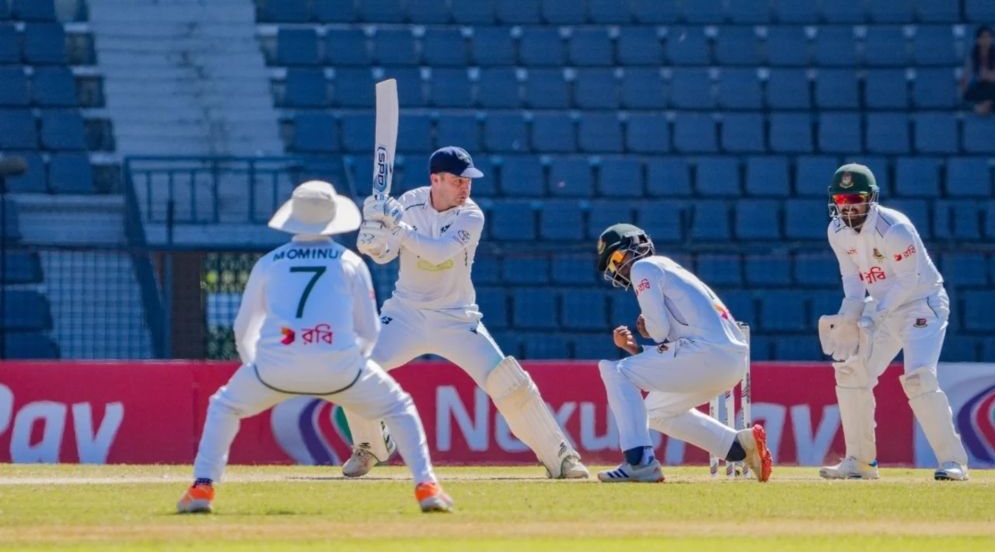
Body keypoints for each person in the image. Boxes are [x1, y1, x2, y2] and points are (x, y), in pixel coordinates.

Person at [176, 180, 454, 514]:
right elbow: (369, 330)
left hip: (274, 367)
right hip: (341, 368)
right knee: (400, 408)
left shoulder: (270, 262)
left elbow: (243, 328)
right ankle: (427, 486)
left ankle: (203, 488)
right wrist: (351, 366)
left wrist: (258, 369)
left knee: (223, 406)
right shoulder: (350, 262)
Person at [346, 146, 589, 480]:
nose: (466, 187)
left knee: (509, 382)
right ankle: (370, 445)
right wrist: (372, 237)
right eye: (459, 181)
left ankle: (561, 457)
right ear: (436, 179)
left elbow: (438, 253)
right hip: (406, 314)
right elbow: (385, 254)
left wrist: (396, 228)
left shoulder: (471, 215)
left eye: (468, 181)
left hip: (456, 317)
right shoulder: (407, 204)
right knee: (355, 371)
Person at [818, 163, 969, 481]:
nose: (849, 207)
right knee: (851, 372)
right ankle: (860, 462)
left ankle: (953, 463)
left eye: (855, 198)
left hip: (922, 304)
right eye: (842, 200)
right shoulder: (836, 231)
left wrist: (875, 317)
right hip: (883, 306)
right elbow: (852, 277)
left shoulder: (894, 228)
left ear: (870, 198)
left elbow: (908, 282)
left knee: (918, 378)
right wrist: (850, 315)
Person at [593, 223, 772, 483]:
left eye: (619, 257)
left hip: (708, 355)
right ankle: (739, 446)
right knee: (655, 412)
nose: (619, 268)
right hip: (726, 361)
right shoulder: (671, 271)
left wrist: (650, 329)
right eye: (613, 265)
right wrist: (636, 348)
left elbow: (660, 330)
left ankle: (639, 462)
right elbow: (677, 346)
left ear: (637, 246)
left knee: (614, 370)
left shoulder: (645, 267)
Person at [960, 25, 995, 115]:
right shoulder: (971, 57)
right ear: (978, 40)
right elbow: (965, 79)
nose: (986, 40)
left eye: (988, 37)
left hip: (992, 87)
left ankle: (987, 105)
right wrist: (978, 77)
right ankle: (981, 106)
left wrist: (989, 76)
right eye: (983, 37)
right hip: (978, 88)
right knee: (968, 94)